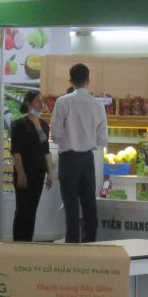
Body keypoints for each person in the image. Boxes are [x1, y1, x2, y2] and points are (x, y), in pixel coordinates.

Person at [51, 62, 107, 243]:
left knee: (71, 206)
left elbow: (56, 133)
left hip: (68, 159)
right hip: (87, 159)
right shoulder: (97, 105)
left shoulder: (62, 102)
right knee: (89, 203)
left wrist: (67, 139)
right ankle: (90, 241)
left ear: (70, 80)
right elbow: (102, 138)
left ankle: (73, 245)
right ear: (88, 80)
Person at [10, 89, 53, 241]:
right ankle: (18, 242)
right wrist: (21, 173)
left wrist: (50, 173)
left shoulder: (44, 125)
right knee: (22, 209)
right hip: (25, 172)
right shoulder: (19, 124)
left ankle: (28, 241)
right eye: (37, 101)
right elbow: (16, 151)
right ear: (28, 103)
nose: (41, 104)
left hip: (39, 172)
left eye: (42, 101)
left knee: (32, 210)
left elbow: (46, 151)